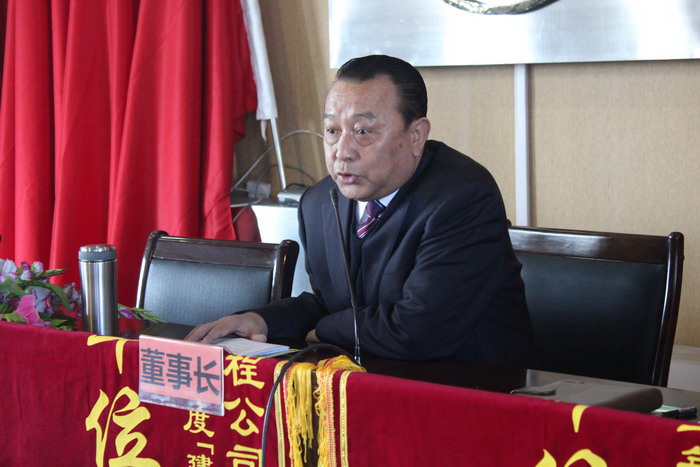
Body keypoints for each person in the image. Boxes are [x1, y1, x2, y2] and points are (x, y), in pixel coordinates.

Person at [186, 55, 534, 366]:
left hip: (472, 390)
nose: (342, 151)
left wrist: (324, 330)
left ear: (416, 136)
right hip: (364, 382)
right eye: (332, 131)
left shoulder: (462, 198)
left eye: (363, 131)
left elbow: (420, 330)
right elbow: (332, 302)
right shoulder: (319, 202)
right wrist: (261, 320)